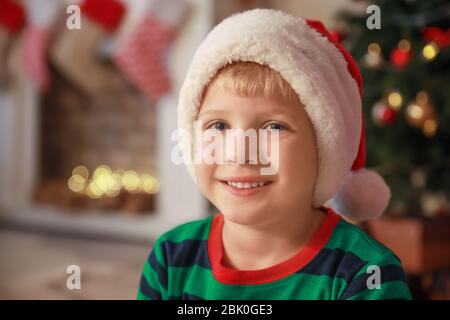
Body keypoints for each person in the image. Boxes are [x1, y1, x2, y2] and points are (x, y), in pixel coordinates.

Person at [137, 9, 412, 300]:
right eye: (219, 125)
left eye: (274, 127)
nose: (240, 153)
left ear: (324, 148)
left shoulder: (366, 274)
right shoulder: (170, 258)